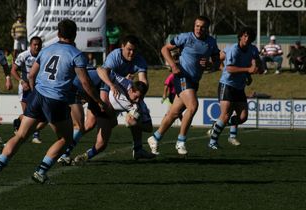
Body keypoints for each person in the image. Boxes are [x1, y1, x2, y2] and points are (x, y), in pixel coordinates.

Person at [0, 19, 107, 185]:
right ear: (75, 34)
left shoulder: (47, 49)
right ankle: (41, 171)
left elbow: (32, 75)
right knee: (66, 139)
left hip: (38, 95)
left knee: (20, 136)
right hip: (56, 100)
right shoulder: (76, 55)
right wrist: (99, 101)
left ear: (58, 34)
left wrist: (35, 94)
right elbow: (85, 83)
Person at [147, 15, 220, 156]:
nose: (199, 29)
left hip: (194, 81)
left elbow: (217, 63)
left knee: (174, 113)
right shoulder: (185, 37)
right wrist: (173, 65)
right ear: (194, 26)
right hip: (182, 76)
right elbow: (164, 49)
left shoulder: (211, 43)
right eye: (197, 26)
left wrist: (210, 64)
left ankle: (155, 138)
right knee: (193, 106)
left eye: (202, 27)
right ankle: (181, 141)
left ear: (207, 28)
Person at [63, 75, 148, 165]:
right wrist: (111, 85)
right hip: (99, 101)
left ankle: (83, 157)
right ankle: (64, 152)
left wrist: (135, 123)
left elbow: (149, 127)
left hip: (106, 113)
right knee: (88, 125)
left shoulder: (138, 106)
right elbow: (103, 71)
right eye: (136, 97)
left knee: (101, 145)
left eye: (141, 97)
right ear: (131, 90)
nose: (138, 100)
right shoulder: (123, 83)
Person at [97, 35, 155, 159]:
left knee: (136, 114)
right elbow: (103, 72)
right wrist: (112, 86)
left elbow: (143, 82)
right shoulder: (115, 55)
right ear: (122, 47)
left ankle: (138, 149)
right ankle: (68, 149)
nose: (132, 53)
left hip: (125, 89)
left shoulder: (139, 60)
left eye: (134, 50)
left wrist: (138, 98)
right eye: (129, 49)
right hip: (107, 85)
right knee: (94, 123)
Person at [208, 26, 263, 149]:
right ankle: (213, 141)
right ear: (240, 36)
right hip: (227, 85)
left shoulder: (253, 49)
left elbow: (257, 63)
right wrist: (248, 70)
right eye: (245, 36)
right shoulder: (233, 49)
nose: (247, 38)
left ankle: (217, 125)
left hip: (239, 87)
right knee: (226, 114)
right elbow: (229, 69)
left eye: (249, 36)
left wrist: (255, 69)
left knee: (243, 117)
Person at [11, 36, 45, 144]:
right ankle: (18, 123)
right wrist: (22, 81)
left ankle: (35, 135)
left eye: (39, 44)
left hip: (38, 87)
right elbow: (13, 70)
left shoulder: (43, 55)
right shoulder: (23, 55)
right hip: (25, 88)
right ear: (30, 45)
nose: (37, 46)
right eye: (34, 44)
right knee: (28, 114)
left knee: (39, 113)